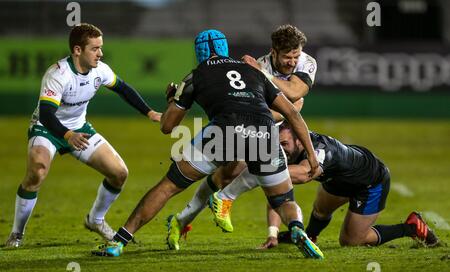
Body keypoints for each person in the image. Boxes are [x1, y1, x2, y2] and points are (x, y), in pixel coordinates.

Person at [92, 29, 323, 259]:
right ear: (225, 49)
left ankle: (119, 242)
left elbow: (167, 127)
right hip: (264, 132)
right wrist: (311, 155)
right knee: (283, 200)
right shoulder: (254, 71)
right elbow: (293, 113)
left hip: (224, 131)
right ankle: (296, 228)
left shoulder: (195, 76)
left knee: (169, 186)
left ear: (198, 53)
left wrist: (172, 99)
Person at [5, 23, 161, 248]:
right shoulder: (58, 74)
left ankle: (95, 220)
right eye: (95, 48)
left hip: (79, 128)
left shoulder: (101, 70)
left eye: (101, 48)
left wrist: (150, 112)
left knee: (119, 173)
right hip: (47, 128)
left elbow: (123, 89)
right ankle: (16, 234)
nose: (101, 53)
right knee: (37, 172)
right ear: (78, 50)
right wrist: (67, 135)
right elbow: (48, 115)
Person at [167, 24, 317, 244]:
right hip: (259, 125)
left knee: (279, 174)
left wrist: (263, 74)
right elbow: (260, 107)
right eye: (287, 57)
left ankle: (205, 211)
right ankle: (188, 217)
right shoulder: (259, 64)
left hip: (282, 127)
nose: (292, 62)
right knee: (231, 173)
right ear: (273, 51)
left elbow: (295, 93)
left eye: (296, 56)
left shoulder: (304, 62)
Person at [210, 121, 440, 249]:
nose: (281, 150)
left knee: (350, 241)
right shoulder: (294, 148)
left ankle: (410, 227)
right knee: (320, 210)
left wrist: (262, 170)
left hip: (370, 182)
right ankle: (308, 236)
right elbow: (278, 194)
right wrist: (272, 233)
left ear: (300, 140)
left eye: (284, 144)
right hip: (340, 178)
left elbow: (301, 175)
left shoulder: (319, 151)